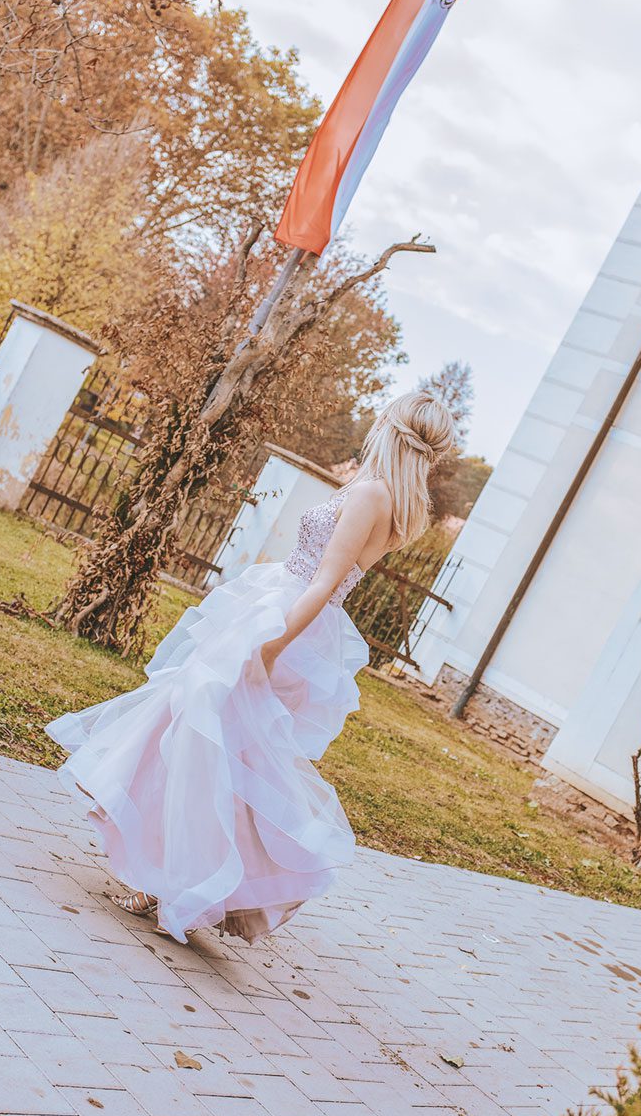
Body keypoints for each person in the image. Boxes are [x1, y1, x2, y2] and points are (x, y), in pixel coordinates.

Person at [46, 390, 457, 943]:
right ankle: (185, 875)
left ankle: (179, 880)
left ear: (389, 428)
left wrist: (269, 648)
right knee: (217, 747)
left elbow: (325, 582)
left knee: (204, 741)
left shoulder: (372, 495)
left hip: (285, 621)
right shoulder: (394, 502)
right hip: (285, 611)